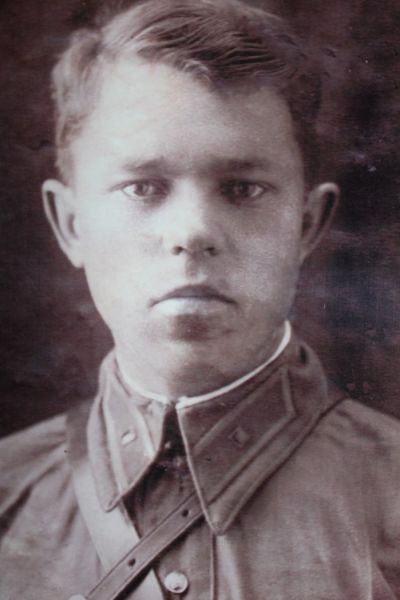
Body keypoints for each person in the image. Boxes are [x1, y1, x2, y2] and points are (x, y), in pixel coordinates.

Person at [1, 0, 400, 598]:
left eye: (243, 189)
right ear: (71, 224)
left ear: (306, 223)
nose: (192, 231)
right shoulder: (10, 495)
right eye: (143, 187)